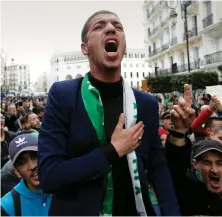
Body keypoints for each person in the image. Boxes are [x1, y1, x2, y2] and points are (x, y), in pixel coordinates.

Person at [38, 10, 180, 216]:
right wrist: (112, 151)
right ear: (84, 48)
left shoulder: (146, 103)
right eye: (99, 26)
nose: (111, 28)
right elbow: (50, 176)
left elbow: (158, 169)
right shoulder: (64, 95)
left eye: (118, 26)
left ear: (123, 47)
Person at [165, 84, 222, 215]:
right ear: (195, 165)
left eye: (220, 163)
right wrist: (179, 132)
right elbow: (175, 162)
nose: (214, 169)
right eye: (207, 163)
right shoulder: (187, 189)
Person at [0, 132, 52, 216]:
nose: (32, 166)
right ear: (17, 171)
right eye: (22, 162)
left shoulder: (66, 187)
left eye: (35, 156)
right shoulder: (7, 206)